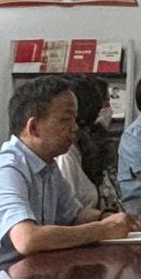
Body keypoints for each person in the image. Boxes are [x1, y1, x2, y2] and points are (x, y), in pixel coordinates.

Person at [0, 77, 141, 279]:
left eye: (75, 119)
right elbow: (27, 239)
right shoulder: (6, 170)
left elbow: (75, 216)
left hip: (20, 278)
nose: (75, 128)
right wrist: (102, 229)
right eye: (65, 120)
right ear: (33, 128)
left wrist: (108, 217)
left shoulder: (47, 166)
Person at [53, 75, 124, 213]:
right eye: (104, 104)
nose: (108, 109)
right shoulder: (65, 155)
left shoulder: (85, 147)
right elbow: (68, 214)